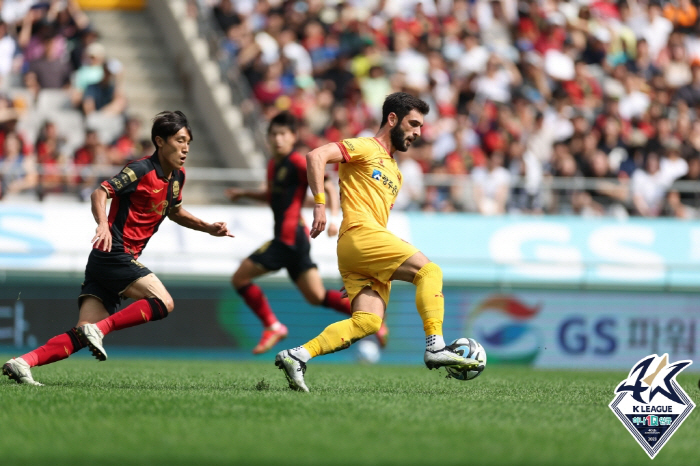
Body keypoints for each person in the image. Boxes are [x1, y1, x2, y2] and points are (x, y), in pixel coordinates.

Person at [2, 111, 234, 385]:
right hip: (114, 253)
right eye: (180, 140)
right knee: (164, 302)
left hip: (107, 262)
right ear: (160, 142)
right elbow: (100, 192)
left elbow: (175, 211)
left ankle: (22, 363)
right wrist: (102, 224)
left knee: (82, 332)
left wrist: (208, 227)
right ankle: (101, 330)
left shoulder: (177, 178)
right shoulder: (140, 170)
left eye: (189, 142)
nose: (185, 148)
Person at [274, 93, 478, 392]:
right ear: (392, 119)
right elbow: (316, 156)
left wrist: (364, 262)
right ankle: (436, 346)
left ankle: (297, 356)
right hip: (359, 233)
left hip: (362, 248)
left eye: (421, 126)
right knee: (429, 272)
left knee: (368, 322)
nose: (418, 132)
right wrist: (319, 203)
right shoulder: (366, 146)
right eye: (413, 124)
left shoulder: (395, 172)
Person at [226, 112, 388, 354]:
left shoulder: (298, 162)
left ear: (293, 137)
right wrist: (244, 194)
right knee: (317, 296)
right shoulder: (273, 164)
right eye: (274, 134)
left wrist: (333, 218)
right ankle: (372, 319)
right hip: (296, 241)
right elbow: (272, 196)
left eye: (283, 134)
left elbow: (330, 185)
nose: (278, 139)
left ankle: (273, 326)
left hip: (288, 239)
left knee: (239, 278)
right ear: (268, 137)